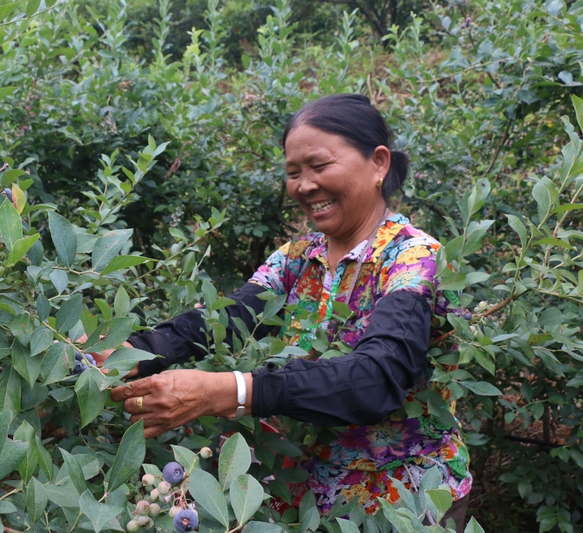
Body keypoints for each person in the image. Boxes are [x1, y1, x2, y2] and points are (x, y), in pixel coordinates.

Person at [103, 94, 473, 525]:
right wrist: (130, 351)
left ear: (378, 163)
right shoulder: (298, 257)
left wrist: (228, 391)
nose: (304, 185)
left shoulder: (412, 258)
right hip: (305, 498)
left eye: (319, 166)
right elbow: (229, 318)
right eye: (293, 173)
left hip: (403, 506)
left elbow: (376, 378)